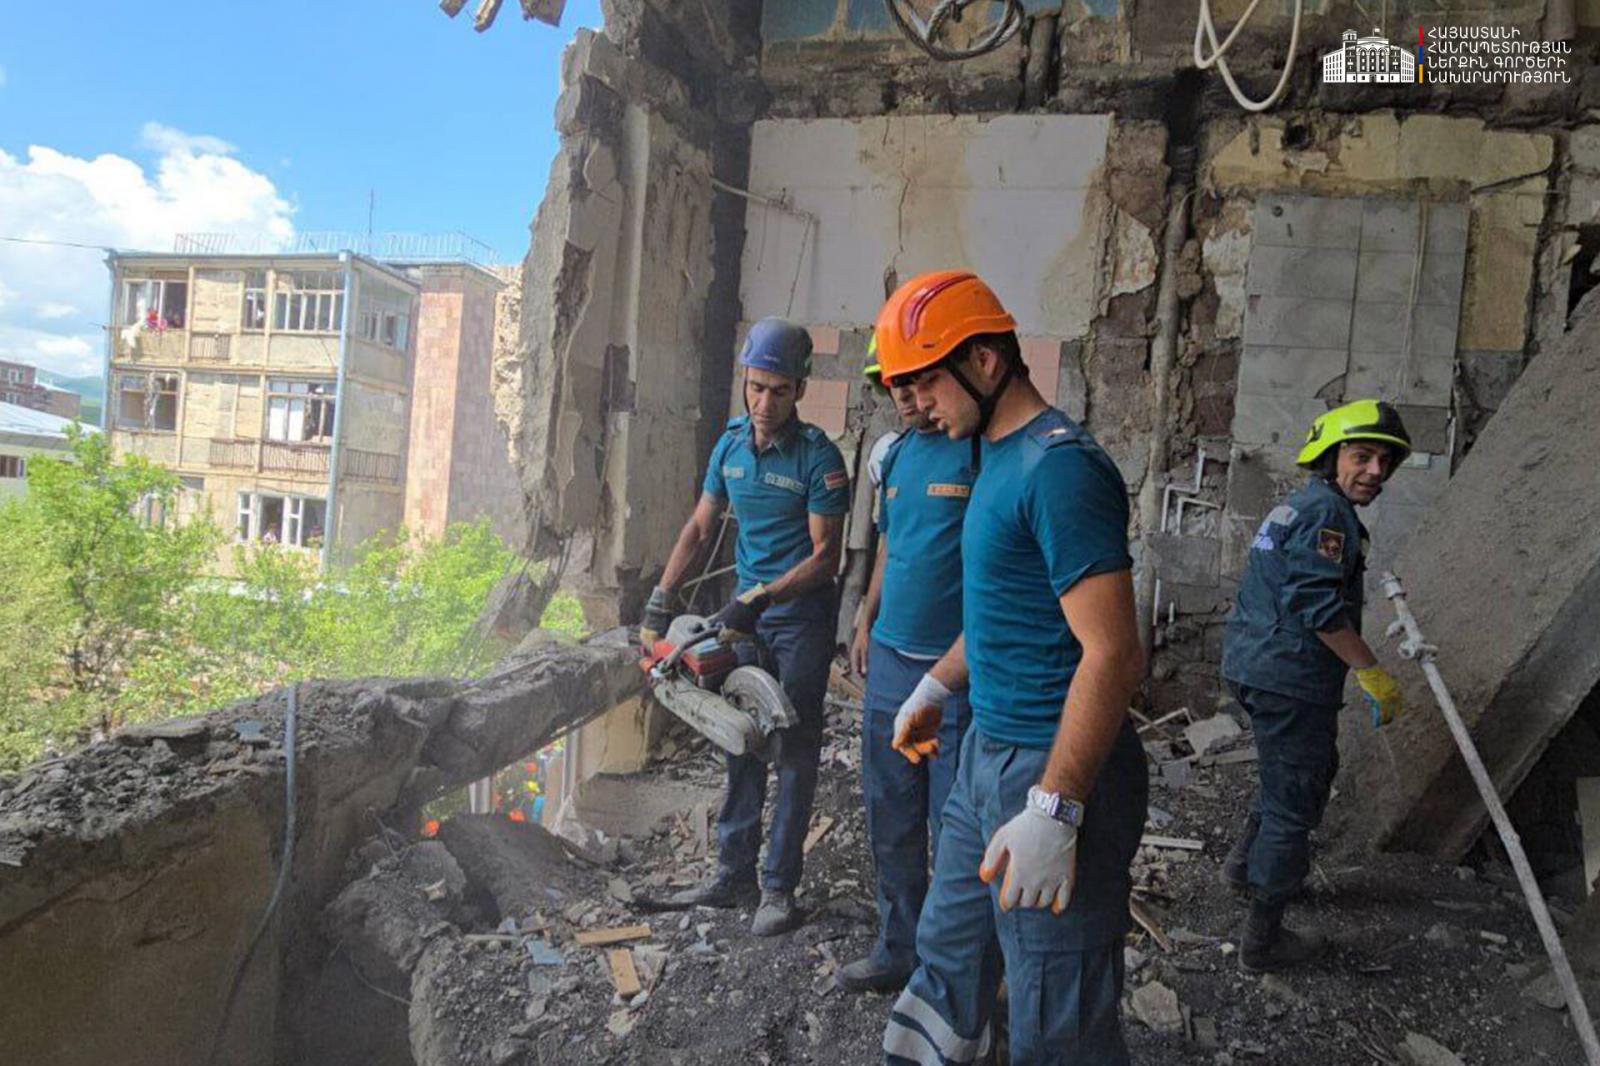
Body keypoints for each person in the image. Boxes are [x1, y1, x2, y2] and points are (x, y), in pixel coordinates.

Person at [874, 271, 1148, 1064]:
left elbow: (1114, 652)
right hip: (984, 755)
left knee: (1058, 1004)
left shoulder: (1059, 470)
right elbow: (1004, 610)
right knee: (949, 951)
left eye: (926, 382)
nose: (915, 405)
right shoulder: (993, 455)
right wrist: (936, 684)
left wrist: (1056, 810)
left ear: (985, 362)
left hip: (1049, 765)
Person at [639, 317, 851, 936]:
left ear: (800, 390)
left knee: (794, 748)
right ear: (745, 382)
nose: (764, 403)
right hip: (746, 616)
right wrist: (661, 596)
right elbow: (699, 526)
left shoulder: (819, 459)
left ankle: (778, 887)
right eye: (756, 388)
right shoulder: (730, 447)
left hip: (800, 618)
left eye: (778, 391)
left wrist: (758, 598)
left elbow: (825, 558)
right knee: (741, 737)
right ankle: (733, 876)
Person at [1218, 399, 1410, 972]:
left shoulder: (1303, 505)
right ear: (1331, 456)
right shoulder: (1327, 514)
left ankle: (1242, 869)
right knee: (1296, 797)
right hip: (1290, 676)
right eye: (1362, 456)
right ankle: (1263, 940)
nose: (1375, 471)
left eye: (1384, 462)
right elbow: (1317, 604)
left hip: (1257, 664)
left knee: (1292, 775)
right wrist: (1371, 671)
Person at [837, 350, 975, 994]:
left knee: (954, 828)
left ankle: (949, 969)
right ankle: (898, 948)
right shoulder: (893, 457)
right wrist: (866, 617)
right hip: (892, 665)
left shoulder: (977, 452)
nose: (905, 396)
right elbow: (890, 544)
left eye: (914, 383)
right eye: (890, 385)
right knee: (891, 815)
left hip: (953, 681)